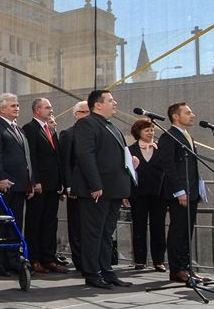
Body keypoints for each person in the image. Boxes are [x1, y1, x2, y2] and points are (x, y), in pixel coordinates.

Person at [71, 90, 133, 289]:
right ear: (97, 105)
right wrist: (95, 185)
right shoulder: (86, 123)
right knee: (93, 233)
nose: (115, 103)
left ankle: (107, 270)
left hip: (113, 189)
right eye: (111, 100)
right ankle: (92, 272)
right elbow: (85, 155)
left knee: (107, 233)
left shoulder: (111, 126)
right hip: (97, 190)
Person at [158, 101, 208, 284]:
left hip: (192, 190)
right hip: (179, 192)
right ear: (176, 116)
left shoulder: (187, 135)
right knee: (178, 230)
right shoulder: (168, 136)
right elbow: (168, 166)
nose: (192, 115)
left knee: (188, 231)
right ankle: (177, 269)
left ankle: (187, 268)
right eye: (188, 112)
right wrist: (179, 190)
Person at [22, 98, 66, 274]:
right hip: (40, 184)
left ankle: (49, 258)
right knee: (35, 221)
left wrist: (62, 182)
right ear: (37, 110)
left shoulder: (51, 130)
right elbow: (31, 156)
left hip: (53, 184)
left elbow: (58, 158)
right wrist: (35, 181)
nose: (51, 110)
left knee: (50, 222)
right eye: (47, 107)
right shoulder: (30, 129)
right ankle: (34, 258)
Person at [0, 92, 33, 272]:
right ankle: (0, 261)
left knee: (17, 223)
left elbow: (26, 158)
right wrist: (0, 177)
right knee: (3, 223)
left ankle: (13, 258)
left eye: (17, 105)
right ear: (2, 109)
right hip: (6, 183)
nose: (17, 108)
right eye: (12, 106)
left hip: (20, 184)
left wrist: (30, 182)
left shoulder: (19, 129)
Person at [127, 118, 168, 271]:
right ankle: (140, 260)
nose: (151, 133)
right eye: (147, 130)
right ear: (138, 132)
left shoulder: (160, 149)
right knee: (139, 226)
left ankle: (159, 260)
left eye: (152, 130)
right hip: (138, 194)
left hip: (159, 194)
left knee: (158, 226)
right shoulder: (130, 150)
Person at [58, 100, 89, 272]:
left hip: (93, 189)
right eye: (83, 112)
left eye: (88, 112)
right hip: (76, 189)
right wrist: (68, 186)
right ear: (75, 115)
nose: (86, 115)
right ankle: (79, 261)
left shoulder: (95, 133)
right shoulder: (68, 134)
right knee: (77, 227)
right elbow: (65, 163)